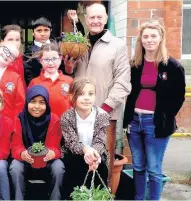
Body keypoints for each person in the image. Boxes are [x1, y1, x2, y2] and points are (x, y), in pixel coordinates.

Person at [65, 3, 131, 185]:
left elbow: (123, 82)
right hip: (78, 113)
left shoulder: (117, 46)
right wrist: (69, 68)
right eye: (92, 17)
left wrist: (104, 109)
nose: (95, 21)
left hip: (105, 113)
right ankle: (77, 195)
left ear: (106, 19)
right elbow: (71, 74)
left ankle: (103, 195)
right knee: (78, 157)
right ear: (86, 20)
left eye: (99, 17)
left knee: (103, 160)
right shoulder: (80, 44)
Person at [123, 20, 186, 200]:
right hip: (135, 122)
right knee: (138, 167)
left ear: (161, 38)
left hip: (156, 124)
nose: (149, 40)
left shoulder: (172, 66)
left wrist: (164, 117)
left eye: (153, 36)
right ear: (140, 40)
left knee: (154, 169)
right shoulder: (135, 64)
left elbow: (178, 97)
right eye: (145, 36)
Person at [10, 85, 65, 200]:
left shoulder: (53, 119)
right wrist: (22, 154)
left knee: (58, 167)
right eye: (33, 101)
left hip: (46, 162)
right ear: (27, 102)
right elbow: (16, 146)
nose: (37, 106)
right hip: (26, 162)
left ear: (47, 104)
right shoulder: (19, 119)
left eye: (42, 102)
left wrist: (52, 153)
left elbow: (57, 147)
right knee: (15, 167)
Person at [61, 78, 110, 199]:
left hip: (95, 153)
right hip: (74, 153)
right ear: (72, 97)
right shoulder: (66, 117)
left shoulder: (102, 115)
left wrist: (94, 155)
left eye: (91, 94)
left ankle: (99, 196)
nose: (87, 98)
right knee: (74, 169)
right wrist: (85, 150)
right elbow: (71, 142)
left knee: (101, 166)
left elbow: (100, 140)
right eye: (81, 94)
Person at [29, 43, 73, 118]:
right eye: (46, 59)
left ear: (60, 58)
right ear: (40, 60)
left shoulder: (69, 81)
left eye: (54, 59)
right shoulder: (34, 83)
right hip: (42, 127)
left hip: (64, 126)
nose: (50, 63)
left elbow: (75, 105)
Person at [24, 17, 52, 86]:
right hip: (38, 87)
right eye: (39, 30)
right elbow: (29, 76)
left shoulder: (58, 46)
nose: (43, 34)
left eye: (46, 30)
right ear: (33, 33)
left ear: (50, 31)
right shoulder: (29, 52)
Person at [1, 24, 26, 89]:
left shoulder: (24, 59)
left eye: (17, 40)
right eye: (10, 40)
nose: (14, 42)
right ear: (2, 42)